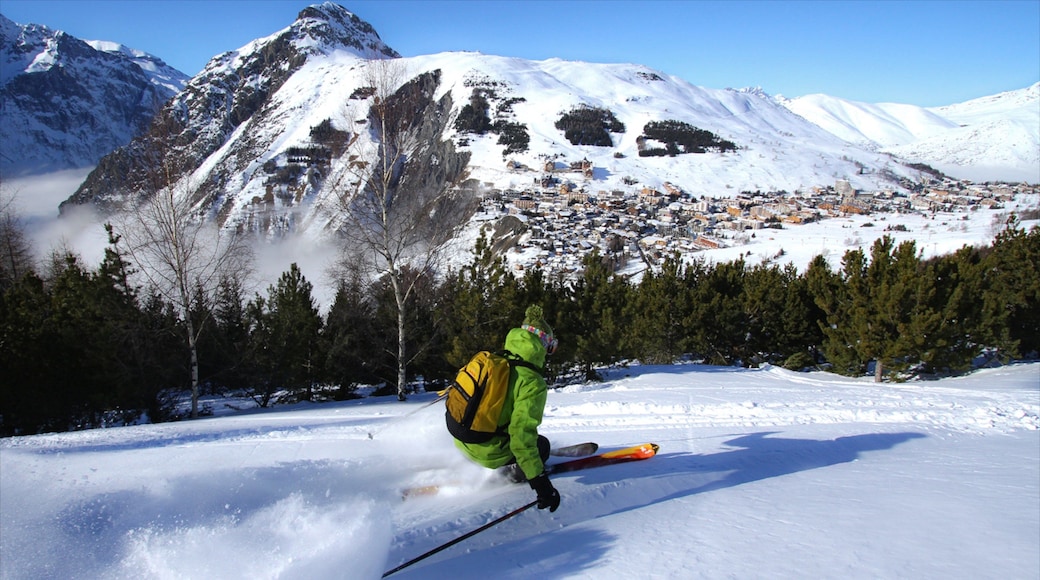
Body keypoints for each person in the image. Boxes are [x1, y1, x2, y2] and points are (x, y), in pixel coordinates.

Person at [451, 305, 561, 512]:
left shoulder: (495, 361)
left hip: (461, 442)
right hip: (488, 453)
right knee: (542, 446)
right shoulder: (532, 382)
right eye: (551, 346)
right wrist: (541, 484)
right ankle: (514, 470)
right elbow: (521, 435)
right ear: (543, 344)